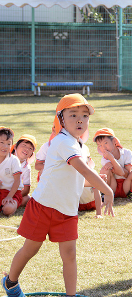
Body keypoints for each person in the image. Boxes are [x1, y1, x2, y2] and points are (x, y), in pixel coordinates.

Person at [2, 93, 114, 297]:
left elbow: (79, 178)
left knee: (70, 254)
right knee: (30, 249)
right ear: (60, 119)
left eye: (84, 115)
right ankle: (10, 282)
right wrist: (107, 190)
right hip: (43, 206)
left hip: (67, 210)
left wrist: (99, 183)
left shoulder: (80, 145)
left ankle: (71, 295)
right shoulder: (63, 142)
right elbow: (85, 171)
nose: (80, 119)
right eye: (73, 115)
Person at [93, 128, 132, 202]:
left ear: (114, 141)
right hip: (113, 186)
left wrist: (112, 160)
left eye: (105, 143)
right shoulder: (104, 158)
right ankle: (106, 194)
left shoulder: (127, 153)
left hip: (126, 185)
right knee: (104, 170)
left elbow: (125, 174)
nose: (103, 148)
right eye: (99, 145)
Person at [0, 127, 22, 216]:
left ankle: (20, 201)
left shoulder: (14, 160)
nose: (5, 146)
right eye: (1, 142)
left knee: (8, 209)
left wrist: (9, 196)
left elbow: (17, 181)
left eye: (8, 144)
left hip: (12, 192)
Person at [11, 134, 37, 207]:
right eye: (24, 145)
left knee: (27, 198)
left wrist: (12, 196)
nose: (26, 149)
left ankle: (11, 202)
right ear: (16, 146)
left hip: (14, 193)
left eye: (30, 148)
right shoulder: (6, 158)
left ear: (31, 154)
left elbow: (26, 189)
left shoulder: (26, 167)